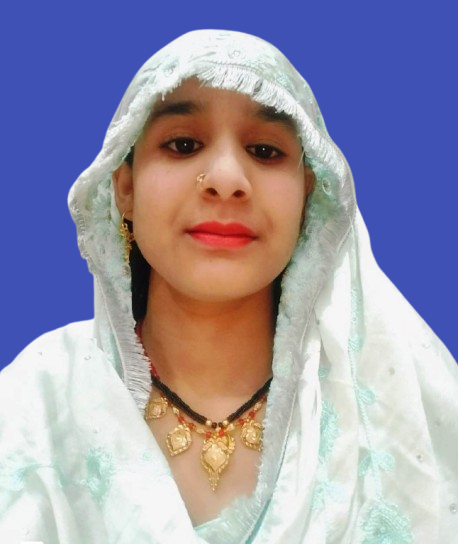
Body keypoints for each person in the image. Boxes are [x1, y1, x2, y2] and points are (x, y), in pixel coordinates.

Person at [0, 29, 457, 543]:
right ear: (124, 188)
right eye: (183, 145)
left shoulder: (393, 404)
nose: (225, 178)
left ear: (309, 197)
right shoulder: (35, 403)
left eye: (264, 150)